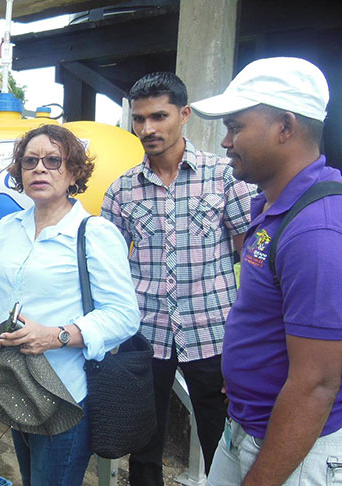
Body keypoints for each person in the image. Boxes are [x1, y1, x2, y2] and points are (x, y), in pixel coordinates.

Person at [0, 124, 141, 486]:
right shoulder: (6, 230)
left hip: (65, 394)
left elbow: (125, 316)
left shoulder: (94, 234)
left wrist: (54, 336)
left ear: (74, 171)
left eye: (53, 160)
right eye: (30, 161)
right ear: (18, 171)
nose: (39, 169)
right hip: (17, 387)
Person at [190, 57, 342, 486]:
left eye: (236, 126)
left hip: (294, 451)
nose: (224, 141)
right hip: (243, 426)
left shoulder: (318, 229)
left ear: (286, 127)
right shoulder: (274, 205)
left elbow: (317, 384)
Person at [100, 72, 255, 485]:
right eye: (139, 119)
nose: (148, 129)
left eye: (159, 116)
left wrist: (250, 336)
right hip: (146, 332)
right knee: (144, 442)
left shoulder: (224, 178)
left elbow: (251, 257)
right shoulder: (121, 191)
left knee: (223, 438)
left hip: (215, 333)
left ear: (184, 115)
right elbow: (109, 268)